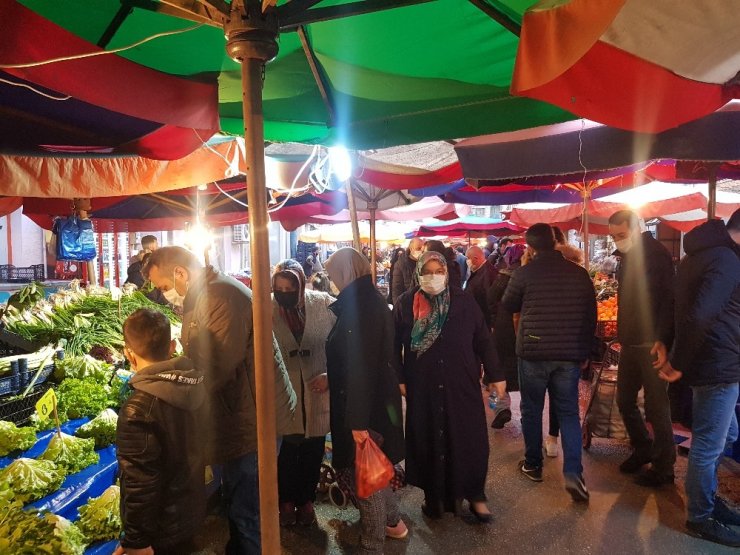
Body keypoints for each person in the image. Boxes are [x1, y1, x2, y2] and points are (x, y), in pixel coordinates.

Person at [143, 246, 297, 554]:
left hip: (252, 420)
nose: (164, 294)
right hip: (241, 415)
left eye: (163, 287)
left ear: (180, 273)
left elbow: (216, 367)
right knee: (239, 505)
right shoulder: (207, 293)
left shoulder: (219, 297)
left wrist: (168, 385)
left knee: (248, 512)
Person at [394, 251, 504, 522]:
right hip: (423, 384)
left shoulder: (464, 301)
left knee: (469, 438)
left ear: (446, 271)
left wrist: (496, 375)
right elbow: (392, 346)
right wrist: (399, 377)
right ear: (418, 273)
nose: (433, 276)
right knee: (428, 438)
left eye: (438, 271)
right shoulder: (406, 303)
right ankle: (434, 497)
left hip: (461, 382)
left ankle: (475, 494)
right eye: (427, 271)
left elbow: (483, 340)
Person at [657, 211, 740, 547]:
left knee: (726, 433)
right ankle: (700, 516)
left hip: (712, 360)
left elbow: (674, 303)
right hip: (717, 363)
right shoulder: (726, 259)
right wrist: (677, 361)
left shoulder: (699, 255)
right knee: (708, 444)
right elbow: (701, 313)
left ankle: (707, 496)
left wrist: (665, 340)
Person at [502, 223, 596, 502]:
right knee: (567, 412)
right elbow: (590, 315)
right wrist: (585, 351)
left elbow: (508, 305)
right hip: (568, 354)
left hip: (533, 352)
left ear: (530, 246)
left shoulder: (524, 273)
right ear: (556, 241)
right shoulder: (579, 274)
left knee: (531, 410)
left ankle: (533, 464)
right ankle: (574, 472)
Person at [324, 248, 406, 553]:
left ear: (345, 273)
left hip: (366, 408)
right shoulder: (365, 300)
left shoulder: (361, 307)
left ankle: (373, 544)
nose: (331, 280)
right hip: (372, 401)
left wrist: (358, 422)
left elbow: (361, 365)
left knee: (367, 478)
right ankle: (394, 521)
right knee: (377, 468)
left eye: (334, 274)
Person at [114, 308, 206, 555]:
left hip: (161, 529)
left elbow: (140, 482)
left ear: (129, 354)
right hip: (191, 512)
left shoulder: (138, 409)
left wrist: (137, 540)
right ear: (173, 345)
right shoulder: (196, 385)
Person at [608, 210, 676, 487]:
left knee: (656, 407)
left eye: (621, 235)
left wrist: (661, 338)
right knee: (624, 399)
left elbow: (667, 300)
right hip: (631, 341)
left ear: (637, 228)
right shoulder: (626, 257)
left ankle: (664, 467)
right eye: (613, 237)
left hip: (651, 343)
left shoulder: (656, 254)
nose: (617, 241)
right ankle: (643, 447)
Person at [271, 260, 335, 527]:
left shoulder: (322, 303)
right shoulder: (265, 308)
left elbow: (344, 341)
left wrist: (332, 375)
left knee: (313, 449)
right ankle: (285, 502)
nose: (284, 292)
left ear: (300, 284)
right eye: (279, 287)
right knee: (285, 452)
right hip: (283, 392)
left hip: (317, 390)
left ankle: (306, 501)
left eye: (290, 287)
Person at [545, 227, 586, 456]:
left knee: (533, 401)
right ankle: (555, 441)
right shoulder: (577, 268)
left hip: (539, 341)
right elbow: (586, 309)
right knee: (564, 400)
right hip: (570, 342)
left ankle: (535, 455)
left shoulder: (535, 266)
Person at [486, 243, 526, 426]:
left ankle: (499, 409)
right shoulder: (529, 276)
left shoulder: (503, 276)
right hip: (525, 330)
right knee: (527, 376)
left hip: (503, 329)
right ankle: (528, 412)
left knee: (495, 372)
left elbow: (491, 299)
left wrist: (494, 319)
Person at [465, 246, 498, 328]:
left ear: (476, 258)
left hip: (484, 322)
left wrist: (493, 325)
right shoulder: (479, 271)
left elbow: (492, 301)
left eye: (467, 258)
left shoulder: (488, 274)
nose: (467, 261)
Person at [391, 238, 423, 304]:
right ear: (411, 249)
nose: (421, 252)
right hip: (408, 303)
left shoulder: (425, 261)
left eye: (423, 249)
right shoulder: (401, 263)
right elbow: (397, 288)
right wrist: (398, 307)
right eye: (418, 248)